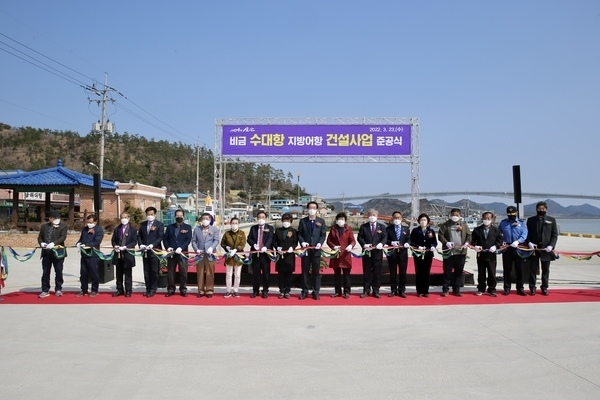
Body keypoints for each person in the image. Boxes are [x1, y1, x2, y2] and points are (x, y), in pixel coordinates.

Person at [526, 201, 558, 296]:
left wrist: (551, 246)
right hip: (534, 248)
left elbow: (554, 235)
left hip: (546, 249)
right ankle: (532, 287)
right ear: (536, 209)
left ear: (546, 210)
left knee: (546, 269)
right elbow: (527, 233)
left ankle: (544, 287)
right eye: (539, 209)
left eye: (543, 209)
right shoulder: (531, 220)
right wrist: (529, 242)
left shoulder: (551, 220)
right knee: (532, 269)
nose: (541, 210)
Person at [437, 208, 472, 297]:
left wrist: (467, 243)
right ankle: (445, 289)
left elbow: (469, 235)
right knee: (447, 272)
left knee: (459, 272)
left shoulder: (464, 225)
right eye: (453, 215)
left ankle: (457, 289)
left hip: (461, 252)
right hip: (449, 252)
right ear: (450, 215)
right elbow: (440, 235)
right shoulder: (445, 225)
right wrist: (446, 243)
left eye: (457, 215)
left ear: (460, 216)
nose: (455, 217)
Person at [297, 202, 327, 300]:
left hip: (316, 250)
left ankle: (316, 291)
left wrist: (319, 243)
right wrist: (302, 242)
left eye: (314, 208)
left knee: (316, 271)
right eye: (310, 208)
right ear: (307, 209)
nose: (312, 210)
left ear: (317, 209)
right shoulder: (303, 221)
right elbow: (299, 234)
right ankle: (305, 291)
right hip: (306, 250)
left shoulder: (321, 221)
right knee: (305, 271)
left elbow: (323, 235)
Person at [357, 209, 388, 298]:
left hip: (377, 253)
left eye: (374, 215)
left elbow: (385, 237)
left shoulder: (382, 227)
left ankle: (376, 290)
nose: (372, 216)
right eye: (370, 215)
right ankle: (366, 290)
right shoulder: (364, 226)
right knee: (366, 272)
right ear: (368, 216)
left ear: (377, 216)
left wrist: (381, 243)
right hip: (367, 253)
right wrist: (364, 244)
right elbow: (359, 237)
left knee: (377, 272)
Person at [471, 212, 503, 296]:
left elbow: (500, 241)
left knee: (492, 272)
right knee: (481, 273)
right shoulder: (477, 230)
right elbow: (473, 241)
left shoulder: (496, 230)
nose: (487, 220)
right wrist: (475, 246)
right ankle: (481, 288)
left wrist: (496, 246)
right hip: (481, 254)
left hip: (491, 255)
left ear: (492, 219)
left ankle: (492, 289)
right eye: (485, 218)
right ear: (482, 219)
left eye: (488, 218)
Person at [37, 210, 68, 298]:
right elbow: (40, 237)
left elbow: (63, 237)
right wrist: (41, 243)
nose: (57, 220)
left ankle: (58, 289)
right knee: (45, 272)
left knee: (58, 271)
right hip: (46, 253)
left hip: (58, 253)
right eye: (55, 218)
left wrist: (53, 243)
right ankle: (45, 289)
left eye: (58, 218)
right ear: (50, 219)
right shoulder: (44, 227)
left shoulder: (63, 227)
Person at [498, 205, 528, 296]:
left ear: (517, 213)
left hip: (518, 247)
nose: (511, 215)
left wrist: (518, 241)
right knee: (507, 269)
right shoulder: (503, 223)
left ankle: (520, 288)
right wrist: (502, 241)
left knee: (520, 269)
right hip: (507, 248)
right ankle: (507, 288)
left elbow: (524, 234)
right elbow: (499, 234)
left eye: (513, 213)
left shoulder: (522, 223)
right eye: (509, 213)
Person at [326, 212, 356, 299]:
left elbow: (353, 240)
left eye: (342, 219)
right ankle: (337, 291)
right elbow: (329, 241)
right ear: (336, 220)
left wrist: (351, 245)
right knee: (337, 275)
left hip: (345, 255)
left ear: (345, 220)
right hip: (336, 255)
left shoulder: (349, 229)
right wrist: (333, 246)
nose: (340, 221)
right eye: (339, 219)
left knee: (346, 275)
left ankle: (347, 292)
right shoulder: (333, 229)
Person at [163, 209, 193, 297]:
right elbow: (165, 239)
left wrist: (181, 247)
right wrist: (168, 247)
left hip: (182, 253)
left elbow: (188, 239)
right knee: (171, 272)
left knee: (183, 272)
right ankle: (171, 289)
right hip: (171, 253)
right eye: (177, 216)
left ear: (183, 216)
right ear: (175, 216)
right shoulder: (170, 227)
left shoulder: (187, 227)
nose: (179, 217)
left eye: (180, 215)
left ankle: (183, 289)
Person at [75, 214, 104, 298]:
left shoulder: (99, 230)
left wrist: (86, 245)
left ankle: (94, 290)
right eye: (88, 222)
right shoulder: (85, 229)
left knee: (93, 273)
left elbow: (97, 241)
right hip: (84, 254)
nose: (89, 224)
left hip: (93, 254)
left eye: (91, 222)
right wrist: (78, 243)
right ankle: (83, 290)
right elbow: (81, 239)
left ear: (95, 222)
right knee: (83, 273)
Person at [137, 206, 164, 297]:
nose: (150, 216)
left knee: (154, 270)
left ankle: (153, 288)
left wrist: (153, 245)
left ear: (155, 214)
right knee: (146, 270)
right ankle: (147, 288)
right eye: (148, 214)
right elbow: (139, 236)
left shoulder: (159, 224)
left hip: (154, 251)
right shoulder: (143, 224)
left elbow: (160, 237)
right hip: (145, 251)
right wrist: (141, 244)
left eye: (152, 214)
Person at [191, 212, 220, 298]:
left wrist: (211, 248)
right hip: (200, 254)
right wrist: (196, 249)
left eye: (207, 219)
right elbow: (193, 241)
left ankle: (209, 290)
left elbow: (216, 240)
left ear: (210, 220)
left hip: (210, 254)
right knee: (200, 273)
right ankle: (200, 291)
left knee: (210, 273)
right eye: (203, 219)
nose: (205, 220)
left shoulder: (214, 229)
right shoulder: (197, 229)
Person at [247, 211, 274, 298]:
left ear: (265, 219)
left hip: (265, 254)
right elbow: (249, 239)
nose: (261, 219)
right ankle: (255, 291)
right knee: (256, 274)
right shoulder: (253, 228)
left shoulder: (270, 228)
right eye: (259, 217)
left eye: (263, 217)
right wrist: (253, 244)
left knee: (266, 273)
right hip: (256, 253)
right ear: (257, 218)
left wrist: (266, 246)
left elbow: (271, 238)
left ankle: (265, 290)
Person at [410, 213, 438, 298]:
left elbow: (434, 241)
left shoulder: (431, 231)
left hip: (428, 254)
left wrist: (433, 246)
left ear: (428, 221)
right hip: (418, 253)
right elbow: (411, 241)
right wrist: (418, 246)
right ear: (419, 221)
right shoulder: (415, 230)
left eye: (425, 220)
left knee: (426, 272)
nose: (423, 221)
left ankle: (426, 290)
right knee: (419, 272)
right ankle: (419, 291)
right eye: (421, 220)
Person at [111, 212, 138, 298]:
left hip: (128, 254)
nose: (124, 219)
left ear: (129, 218)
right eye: (122, 217)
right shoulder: (117, 229)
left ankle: (128, 290)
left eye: (125, 217)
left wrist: (126, 246)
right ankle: (119, 289)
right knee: (119, 274)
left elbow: (134, 241)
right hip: (118, 254)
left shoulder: (133, 230)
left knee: (128, 274)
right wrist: (115, 246)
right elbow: (113, 240)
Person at [385, 211, 411, 298]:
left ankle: (402, 290)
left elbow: (409, 239)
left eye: (398, 218)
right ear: (392, 219)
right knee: (392, 272)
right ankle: (393, 290)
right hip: (392, 253)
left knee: (402, 272)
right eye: (395, 218)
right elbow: (385, 240)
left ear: (401, 218)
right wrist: (391, 242)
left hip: (403, 254)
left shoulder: (406, 228)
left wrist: (407, 243)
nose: (397, 219)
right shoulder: (388, 229)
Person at [273, 213, 298, 299]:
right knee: (281, 274)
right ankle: (281, 290)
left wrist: (292, 247)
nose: (285, 222)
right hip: (280, 255)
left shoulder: (294, 231)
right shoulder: (278, 231)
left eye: (287, 221)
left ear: (291, 222)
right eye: (284, 220)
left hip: (290, 255)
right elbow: (274, 242)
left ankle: (287, 291)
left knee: (289, 273)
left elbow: (295, 242)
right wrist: (277, 248)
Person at [220, 217, 247, 298]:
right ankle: (228, 290)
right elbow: (222, 243)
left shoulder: (242, 233)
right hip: (229, 256)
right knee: (228, 274)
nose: (234, 225)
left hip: (238, 256)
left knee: (237, 274)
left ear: (238, 224)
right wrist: (226, 248)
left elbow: (243, 243)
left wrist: (236, 249)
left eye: (236, 223)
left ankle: (236, 290)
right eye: (233, 223)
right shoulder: (227, 233)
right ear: (230, 224)